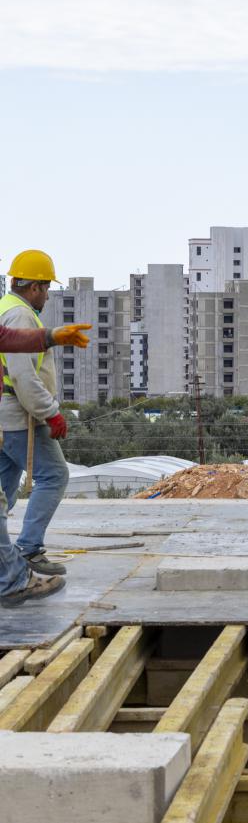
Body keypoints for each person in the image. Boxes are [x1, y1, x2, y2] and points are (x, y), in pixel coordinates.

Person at [0, 251, 92, 607]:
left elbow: (9, 341)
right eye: (46, 288)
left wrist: (52, 335)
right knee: (54, 475)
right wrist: (50, 413)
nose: (48, 295)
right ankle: (25, 554)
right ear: (35, 287)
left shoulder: (7, 308)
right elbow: (23, 376)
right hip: (18, 415)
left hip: (6, 418)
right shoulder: (20, 313)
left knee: (4, 494)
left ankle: (12, 567)